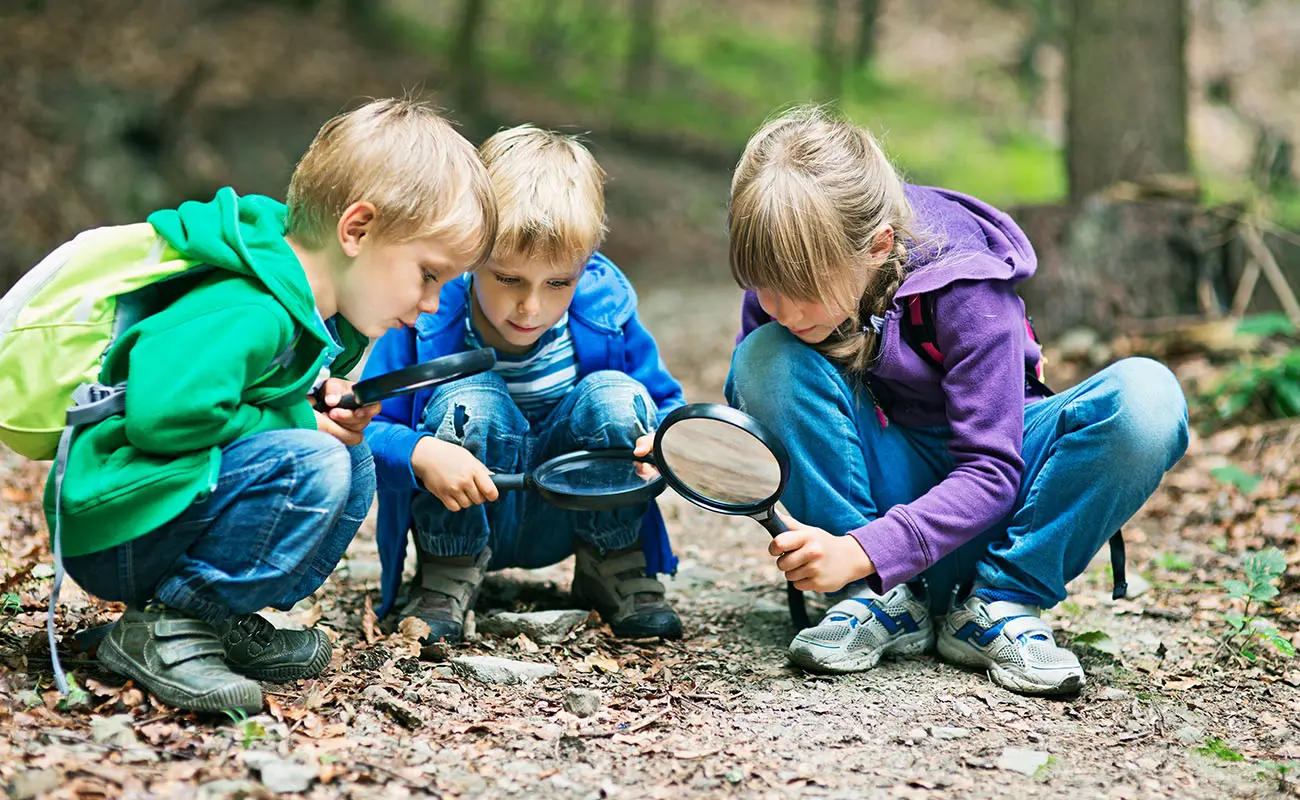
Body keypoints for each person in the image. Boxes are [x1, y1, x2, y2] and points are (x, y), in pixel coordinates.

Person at [46, 98, 496, 714]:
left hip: (158, 509)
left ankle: (212, 618)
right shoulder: (250, 307)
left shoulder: (301, 313)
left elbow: (245, 404)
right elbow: (164, 417)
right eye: (428, 274)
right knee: (316, 461)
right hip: (117, 523)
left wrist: (310, 404)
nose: (433, 303)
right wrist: (298, 420)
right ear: (357, 230)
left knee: (351, 459)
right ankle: (168, 626)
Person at [724, 106, 1188, 695]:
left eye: (802, 291)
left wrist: (864, 550)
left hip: (997, 513)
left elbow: (991, 472)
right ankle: (877, 603)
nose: (780, 309)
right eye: (763, 286)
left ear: (878, 246)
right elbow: (768, 426)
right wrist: (689, 451)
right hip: (874, 517)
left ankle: (1000, 605)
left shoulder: (968, 288)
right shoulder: (785, 289)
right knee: (764, 356)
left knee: (1148, 398)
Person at [365, 125, 685, 647]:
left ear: (584, 266)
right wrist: (420, 453)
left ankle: (612, 562)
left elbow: (667, 407)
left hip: (571, 509)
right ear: (471, 255)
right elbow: (368, 430)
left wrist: (662, 443)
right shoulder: (427, 318)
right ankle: (447, 573)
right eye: (508, 278)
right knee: (471, 398)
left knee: (615, 395)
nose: (531, 307)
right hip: (467, 506)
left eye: (558, 282)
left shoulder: (605, 313)